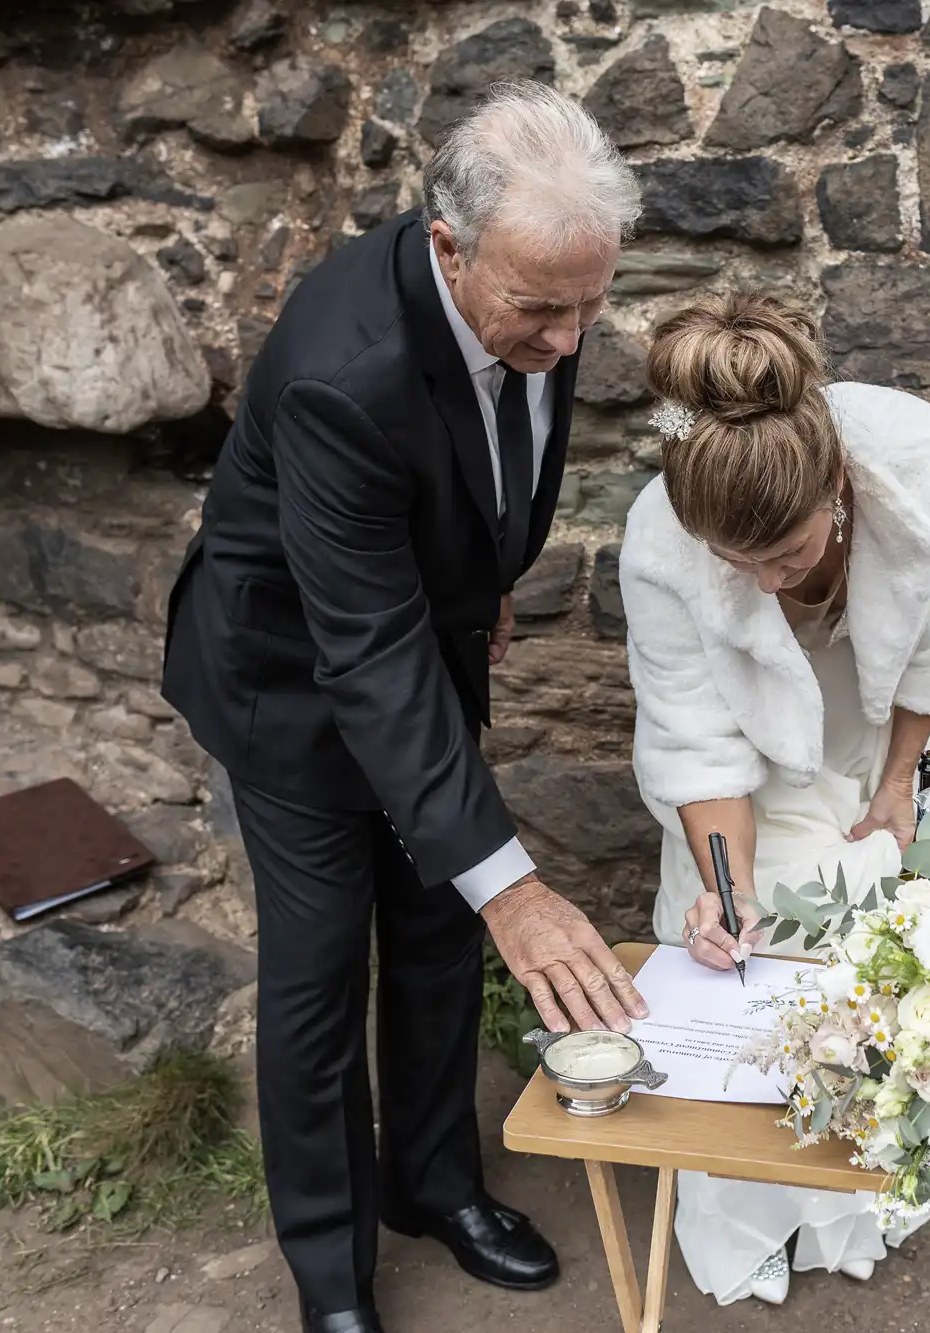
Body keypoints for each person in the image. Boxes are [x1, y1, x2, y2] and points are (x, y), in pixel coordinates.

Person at [159, 83, 650, 1333]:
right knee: (320, 972)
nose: (567, 336)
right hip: (289, 681)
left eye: (589, 303)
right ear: (448, 245)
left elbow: (493, 470)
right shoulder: (346, 371)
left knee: (435, 935)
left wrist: (475, 584)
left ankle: (433, 1186)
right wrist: (521, 890)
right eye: (540, 310)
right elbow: (360, 653)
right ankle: (331, 1275)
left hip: (413, 643)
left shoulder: (544, 277)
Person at [617, 292, 930, 1305]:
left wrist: (898, 781)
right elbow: (694, 743)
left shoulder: (923, 461)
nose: (765, 583)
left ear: (833, 487)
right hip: (747, 741)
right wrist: (725, 895)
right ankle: (749, 1210)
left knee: (876, 917)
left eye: (782, 556)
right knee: (749, 946)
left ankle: (864, 1189)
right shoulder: (662, 540)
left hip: (866, 716)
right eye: (737, 568)